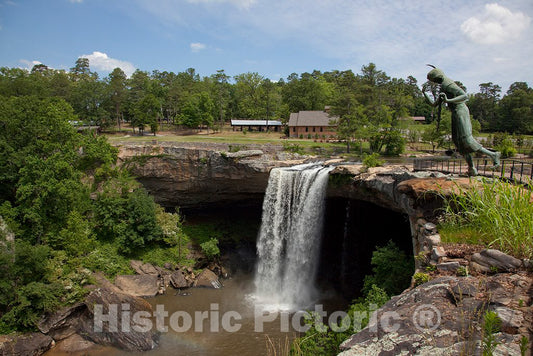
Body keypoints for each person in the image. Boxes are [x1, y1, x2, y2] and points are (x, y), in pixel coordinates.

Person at [423, 66, 500, 176]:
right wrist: (424, 93)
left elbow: (464, 96)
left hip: (460, 111)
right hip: (455, 113)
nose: (434, 83)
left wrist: (448, 100)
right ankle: (471, 168)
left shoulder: (447, 84)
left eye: (434, 80)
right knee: (458, 142)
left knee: (466, 139)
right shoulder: (443, 86)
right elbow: (434, 104)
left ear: (438, 77)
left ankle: (493, 155)